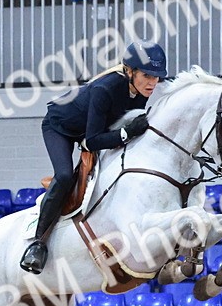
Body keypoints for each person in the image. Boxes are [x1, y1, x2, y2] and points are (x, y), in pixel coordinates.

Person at [19, 40, 168, 274]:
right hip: (60, 127)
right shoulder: (104, 89)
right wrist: (127, 133)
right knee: (66, 175)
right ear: (130, 72)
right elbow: (91, 141)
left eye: (157, 77)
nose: (153, 82)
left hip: (94, 130)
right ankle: (38, 243)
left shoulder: (141, 90)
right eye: (147, 75)